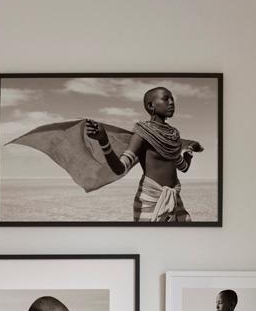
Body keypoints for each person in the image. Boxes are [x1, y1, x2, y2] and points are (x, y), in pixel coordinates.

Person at [85, 86, 203, 223]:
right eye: (166, 99)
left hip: (175, 200)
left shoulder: (173, 135)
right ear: (151, 105)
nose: (171, 102)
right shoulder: (142, 133)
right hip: (149, 201)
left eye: (172, 99)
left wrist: (189, 152)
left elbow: (183, 167)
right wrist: (103, 141)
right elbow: (120, 168)